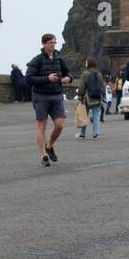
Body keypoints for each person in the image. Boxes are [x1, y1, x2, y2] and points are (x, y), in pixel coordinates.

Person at [26, 34, 72, 167]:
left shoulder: (59, 58)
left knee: (60, 125)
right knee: (42, 125)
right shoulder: (37, 60)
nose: (53, 45)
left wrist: (68, 78)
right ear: (44, 44)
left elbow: (68, 72)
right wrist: (47, 78)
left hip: (56, 95)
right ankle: (43, 155)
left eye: (54, 42)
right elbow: (28, 79)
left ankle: (50, 146)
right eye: (50, 43)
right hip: (41, 96)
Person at [75, 59, 104, 139]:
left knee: (84, 116)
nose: (85, 64)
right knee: (96, 116)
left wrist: (80, 96)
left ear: (89, 64)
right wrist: (103, 95)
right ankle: (96, 134)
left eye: (86, 63)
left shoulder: (85, 73)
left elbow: (81, 87)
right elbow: (102, 85)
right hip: (97, 98)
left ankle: (82, 134)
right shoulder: (99, 74)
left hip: (87, 98)